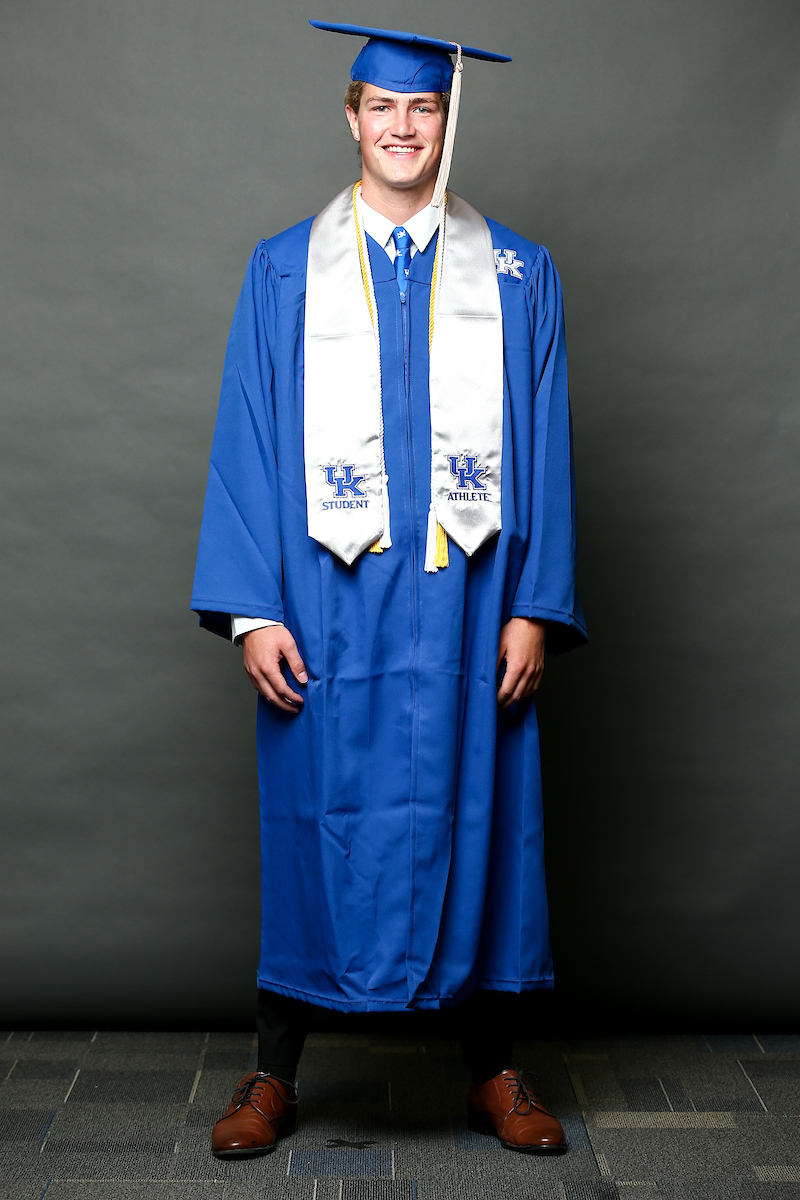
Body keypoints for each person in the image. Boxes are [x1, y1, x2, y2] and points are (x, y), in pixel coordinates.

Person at [191, 20, 586, 1160]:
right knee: (316, 817)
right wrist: (253, 610)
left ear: (443, 121)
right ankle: (273, 1075)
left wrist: (531, 605)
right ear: (351, 118)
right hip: (327, 605)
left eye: (422, 110)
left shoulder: (515, 274)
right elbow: (248, 440)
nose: (402, 128)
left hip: (467, 608)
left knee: (481, 818)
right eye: (381, 108)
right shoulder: (282, 269)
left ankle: (495, 1072)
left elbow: (546, 451)